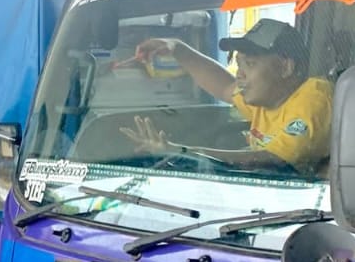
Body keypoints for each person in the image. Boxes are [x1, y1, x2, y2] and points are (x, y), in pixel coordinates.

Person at [123, 18, 332, 175]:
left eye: (250, 64)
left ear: (286, 67)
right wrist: (176, 48)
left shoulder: (314, 96)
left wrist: (183, 152)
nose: (240, 74)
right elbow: (224, 86)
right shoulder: (267, 98)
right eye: (239, 64)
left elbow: (272, 160)